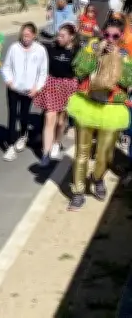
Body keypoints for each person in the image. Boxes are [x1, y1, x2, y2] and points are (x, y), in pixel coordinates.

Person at [67, 19, 132, 210]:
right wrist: (95, 54)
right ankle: (78, 192)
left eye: (115, 36)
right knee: (82, 153)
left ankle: (97, 178)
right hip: (87, 105)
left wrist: (116, 60)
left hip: (111, 109)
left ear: (120, 37)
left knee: (105, 154)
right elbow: (78, 70)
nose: (110, 39)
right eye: (107, 35)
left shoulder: (125, 55)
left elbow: (128, 80)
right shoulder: (91, 47)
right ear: (102, 33)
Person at [0, 22, 48, 161]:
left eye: (28, 35)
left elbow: (43, 72)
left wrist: (37, 88)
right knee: (13, 115)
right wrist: (9, 81)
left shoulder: (40, 50)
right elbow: (6, 67)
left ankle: (23, 134)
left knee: (24, 115)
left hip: (29, 90)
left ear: (34, 35)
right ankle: (10, 145)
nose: (25, 38)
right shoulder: (14, 48)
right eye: (23, 35)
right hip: (14, 89)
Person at [34, 23, 78, 167]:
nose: (59, 38)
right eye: (58, 35)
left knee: (60, 121)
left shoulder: (77, 51)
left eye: (62, 36)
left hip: (68, 86)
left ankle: (57, 142)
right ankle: (45, 153)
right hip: (52, 84)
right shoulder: (51, 47)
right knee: (49, 117)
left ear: (71, 37)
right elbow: (36, 45)